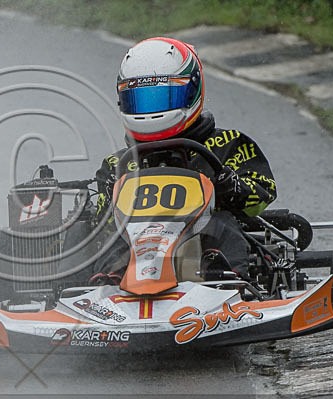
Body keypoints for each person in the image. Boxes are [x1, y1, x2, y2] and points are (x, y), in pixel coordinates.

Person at [91, 36, 277, 282]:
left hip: (205, 241)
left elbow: (264, 191)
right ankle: (107, 285)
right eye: (142, 100)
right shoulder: (118, 164)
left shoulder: (226, 144)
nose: (151, 111)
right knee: (114, 235)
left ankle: (228, 281)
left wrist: (232, 187)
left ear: (192, 91)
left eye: (162, 97)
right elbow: (99, 223)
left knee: (223, 223)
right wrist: (110, 202)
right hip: (139, 244)